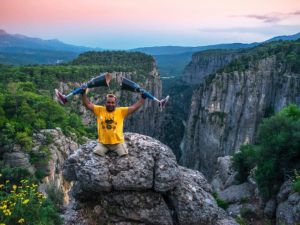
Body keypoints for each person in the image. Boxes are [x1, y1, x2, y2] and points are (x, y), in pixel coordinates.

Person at [82, 89, 145, 157]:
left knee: (124, 156)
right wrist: (83, 94)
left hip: (118, 144)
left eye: (112, 103)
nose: (110, 104)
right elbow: (87, 104)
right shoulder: (99, 110)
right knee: (97, 153)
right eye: (108, 102)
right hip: (103, 143)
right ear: (105, 103)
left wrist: (143, 98)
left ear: (115, 103)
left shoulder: (121, 111)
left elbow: (134, 107)